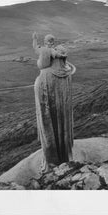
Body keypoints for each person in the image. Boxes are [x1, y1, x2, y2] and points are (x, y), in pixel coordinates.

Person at [32, 32, 76, 173]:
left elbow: (38, 53)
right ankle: (63, 155)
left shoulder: (46, 62)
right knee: (60, 119)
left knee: (48, 120)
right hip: (59, 103)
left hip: (45, 85)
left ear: (46, 42)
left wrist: (34, 40)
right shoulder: (66, 73)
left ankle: (51, 159)